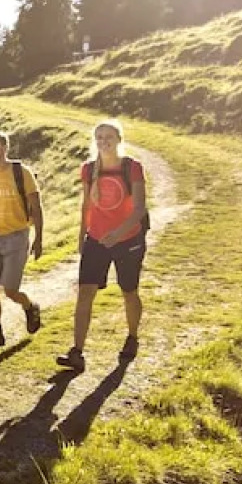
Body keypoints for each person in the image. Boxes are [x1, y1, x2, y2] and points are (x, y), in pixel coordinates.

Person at [57, 119, 148, 372]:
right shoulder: (88, 169)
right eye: (99, 137)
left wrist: (118, 234)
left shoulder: (132, 168)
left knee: (128, 291)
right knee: (85, 293)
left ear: (119, 139)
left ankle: (132, 337)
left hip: (128, 239)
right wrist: (81, 237)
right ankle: (77, 352)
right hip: (96, 240)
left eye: (108, 137)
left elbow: (140, 208)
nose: (103, 141)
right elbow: (86, 205)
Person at [0, 129, 44, 351]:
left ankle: (30, 306)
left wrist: (39, 237)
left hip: (17, 236)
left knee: (11, 291)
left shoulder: (21, 172)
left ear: (5, 148)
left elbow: (36, 205)